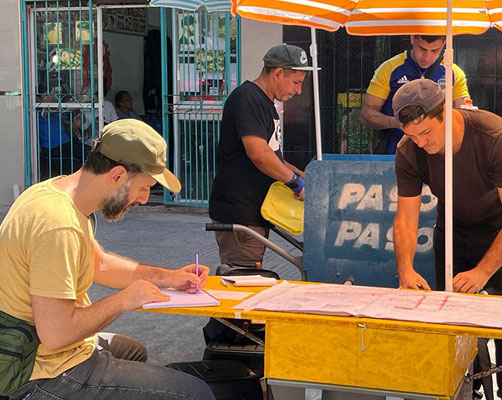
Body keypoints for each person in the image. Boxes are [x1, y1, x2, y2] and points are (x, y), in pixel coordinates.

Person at [0, 118, 215, 400]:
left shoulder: (55, 195)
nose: (143, 199)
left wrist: (168, 276)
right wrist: (123, 300)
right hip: (34, 369)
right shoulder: (57, 223)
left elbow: (99, 264)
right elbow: (56, 333)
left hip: (41, 347)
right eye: (143, 187)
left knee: (133, 350)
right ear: (116, 176)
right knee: (196, 393)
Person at [392, 79, 502, 399]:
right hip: (454, 233)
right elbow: (406, 220)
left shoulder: (492, 136)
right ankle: (468, 391)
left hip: (497, 229)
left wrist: (483, 273)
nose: (422, 142)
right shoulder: (409, 150)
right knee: (456, 329)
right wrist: (406, 270)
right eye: (413, 135)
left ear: (446, 112)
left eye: (426, 133)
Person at [208, 44, 313, 266]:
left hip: (256, 210)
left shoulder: (265, 103)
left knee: (251, 275)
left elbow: (274, 156)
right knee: (242, 280)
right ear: (277, 73)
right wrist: (296, 184)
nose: (299, 91)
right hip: (240, 213)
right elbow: (259, 153)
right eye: (296, 82)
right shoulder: (248, 98)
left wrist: (309, 178)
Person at [360, 35, 470, 154]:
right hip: (396, 149)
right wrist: (396, 122)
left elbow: (464, 112)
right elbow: (366, 114)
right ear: (412, 39)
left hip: (438, 151)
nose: (427, 57)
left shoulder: (452, 72)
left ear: (444, 45)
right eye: (422, 49)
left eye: (435, 50)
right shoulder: (390, 68)